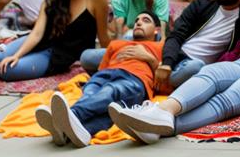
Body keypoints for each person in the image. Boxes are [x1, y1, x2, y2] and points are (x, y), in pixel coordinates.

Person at [109, 0, 240, 143]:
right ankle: (162, 112)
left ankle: (158, 128)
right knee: (209, 74)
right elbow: (225, 59)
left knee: (225, 101)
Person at [37, 10, 164, 147]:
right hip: (105, 75)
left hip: (134, 79)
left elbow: (165, 80)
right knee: (94, 96)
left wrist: (149, 58)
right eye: (137, 20)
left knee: (109, 91)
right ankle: (70, 133)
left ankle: (67, 117)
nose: (138, 22)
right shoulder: (116, 44)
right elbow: (101, 71)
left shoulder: (161, 47)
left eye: (146, 20)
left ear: (156, 30)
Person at [157, 0, 240, 90]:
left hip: (204, 70)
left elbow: (239, 54)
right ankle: (166, 78)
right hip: (177, 56)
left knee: (196, 66)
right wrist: (167, 63)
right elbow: (176, 35)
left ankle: (164, 81)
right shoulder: (200, 6)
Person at [80, 0, 170, 73]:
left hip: (152, 47)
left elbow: (161, 37)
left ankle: (129, 67)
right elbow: (119, 35)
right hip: (127, 45)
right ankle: (132, 66)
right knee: (86, 57)